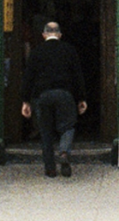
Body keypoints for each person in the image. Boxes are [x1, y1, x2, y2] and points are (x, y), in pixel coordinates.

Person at [21, 21, 87, 178]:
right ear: (60, 35)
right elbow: (78, 76)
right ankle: (64, 152)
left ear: (44, 35)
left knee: (45, 132)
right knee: (68, 127)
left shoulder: (36, 52)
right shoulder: (69, 50)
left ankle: (50, 169)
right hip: (65, 93)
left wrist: (26, 101)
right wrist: (81, 98)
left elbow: (28, 77)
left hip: (42, 95)